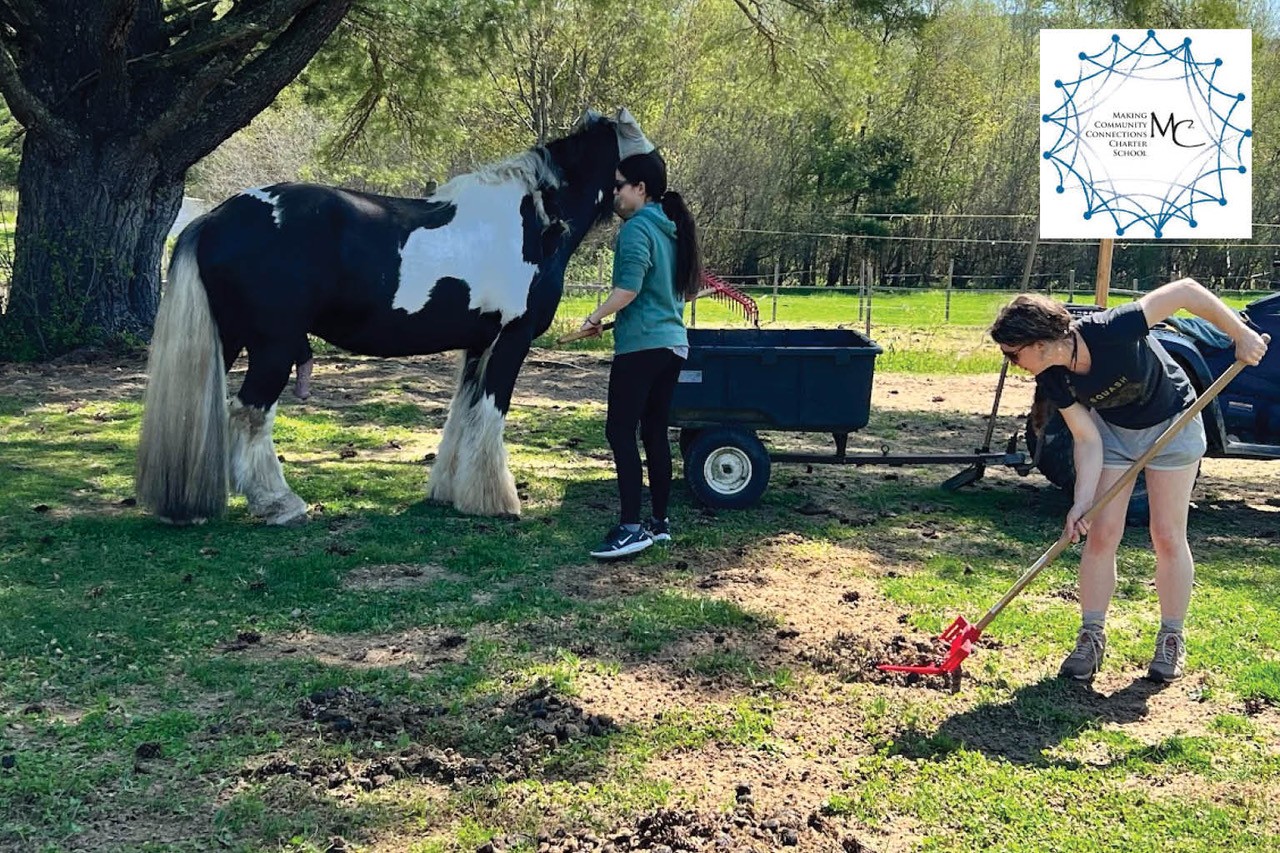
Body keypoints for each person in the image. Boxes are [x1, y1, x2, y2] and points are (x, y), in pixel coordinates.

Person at [990, 280, 1267, 682]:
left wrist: (1239, 334)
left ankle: (1171, 638)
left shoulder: (1110, 329)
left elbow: (1186, 291)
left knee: (1167, 534)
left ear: (1038, 342)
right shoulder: (1053, 377)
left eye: (1013, 355)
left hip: (1175, 423)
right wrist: (1080, 503)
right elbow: (1087, 439)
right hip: (1114, 436)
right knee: (1101, 533)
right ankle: (1091, 636)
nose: (1014, 364)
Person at [578, 149, 702, 560]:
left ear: (640, 188)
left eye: (619, 186)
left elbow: (628, 289)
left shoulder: (635, 229)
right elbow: (666, 292)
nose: (615, 194)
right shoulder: (671, 228)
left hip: (642, 347)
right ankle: (659, 523)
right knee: (653, 432)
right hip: (673, 345)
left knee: (619, 431)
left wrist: (594, 316)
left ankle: (631, 527)